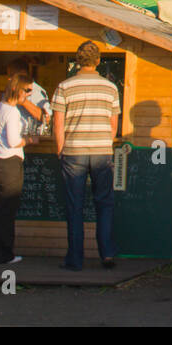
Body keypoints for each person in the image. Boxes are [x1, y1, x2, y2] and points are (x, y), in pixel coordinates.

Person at [52, 41, 121, 272]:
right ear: (99, 61)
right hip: (102, 151)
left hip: (74, 151)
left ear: (77, 60)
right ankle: (107, 254)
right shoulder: (110, 88)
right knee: (104, 204)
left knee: (75, 206)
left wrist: (60, 149)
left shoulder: (64, 86)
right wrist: (105, 143)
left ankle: (75, 259)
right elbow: (114, 125)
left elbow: (58, 124)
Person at [0, 73, 37, 265]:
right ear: (18, 89)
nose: (29, 95)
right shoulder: (13, 112)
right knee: (7, 212)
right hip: (9, 164)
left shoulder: (1, 106)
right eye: (27, 90)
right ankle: (3, 255)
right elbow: (14, 141)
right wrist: (29, 140)